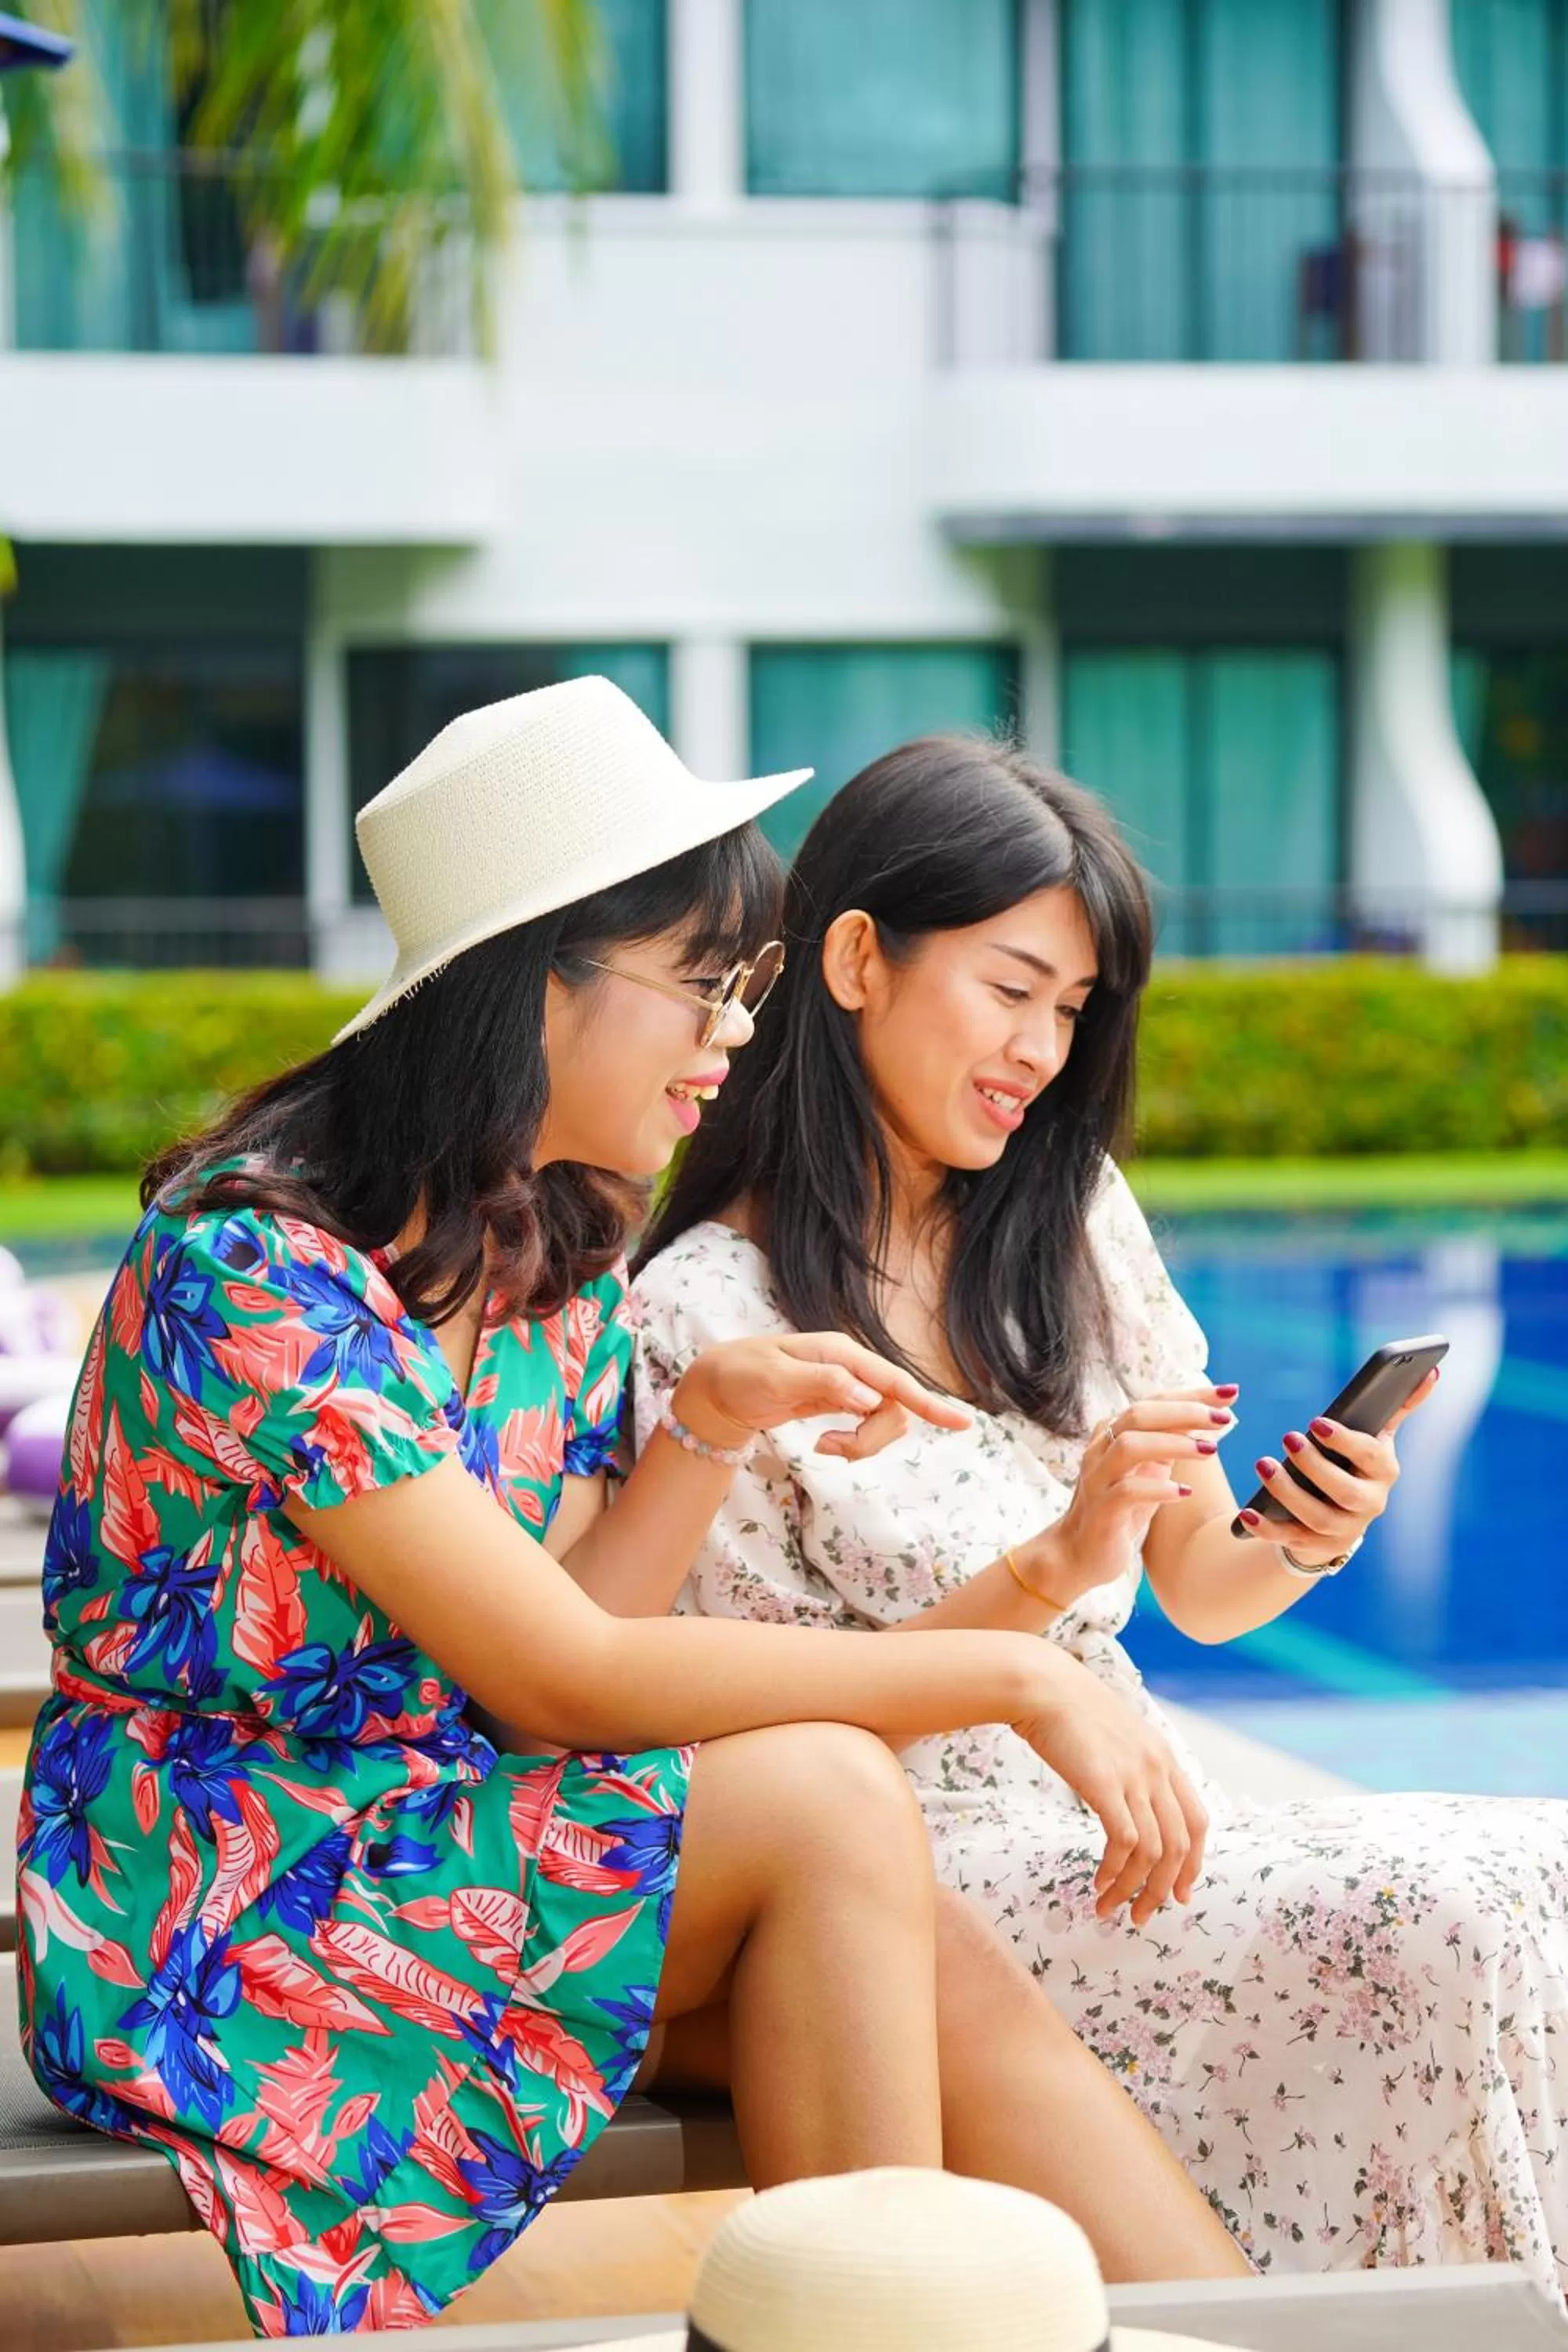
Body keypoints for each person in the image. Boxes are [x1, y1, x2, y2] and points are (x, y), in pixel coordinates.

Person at [16, 682, 1247, 2339]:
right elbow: (563, 1688)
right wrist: (1017, 1669)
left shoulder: (551, 1249)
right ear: (536, 981)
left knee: (902, 1937)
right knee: (823, 1806)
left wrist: (703, 1434)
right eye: (702, 986)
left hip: (447, 1848)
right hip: (217, 1906)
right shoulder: (255, 1274)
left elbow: (585, 1629)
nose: (738, 1034)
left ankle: (1254, 2330)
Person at [631, 731, 1568, 2303]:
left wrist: (1309, 1528)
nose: (1041, 1050)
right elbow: (794, 1741)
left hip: (1135, 1836)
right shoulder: (707, 1323)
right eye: (1009, 989)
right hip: (914, 1896)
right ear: (856, 958)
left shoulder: (1064, 1223)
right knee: (1441, 1900)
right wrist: (1052, 1570)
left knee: (1532, 1870)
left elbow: (1203, 1586)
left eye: (1070, 1010)